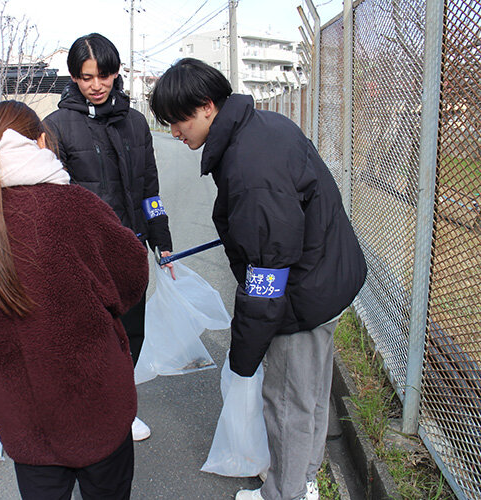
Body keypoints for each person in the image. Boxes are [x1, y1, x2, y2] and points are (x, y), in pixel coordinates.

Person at [149, 58, 367, 500]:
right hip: (327, 278)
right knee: (309, 391)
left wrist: (243, 355)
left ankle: (287, 492)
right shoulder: (264, 125)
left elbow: (266, 274)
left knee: (285, 402)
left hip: (301, 295)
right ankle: (304, 474)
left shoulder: (250, 168)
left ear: (208, 106)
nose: (175, 131)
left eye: (179, 120)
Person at [0, 100, 148, 500]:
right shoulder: (76, 207)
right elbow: (132, 277)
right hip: (96, 403)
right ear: (42, 141)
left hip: (21, 414)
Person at [43, 33, 173, 441]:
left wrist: (160, 235)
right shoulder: (56, 126)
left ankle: (120, 408)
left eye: (104, 75)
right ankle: (88, 411)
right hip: (83, 257)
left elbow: (149, 186)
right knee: (88, 337)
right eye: (86, 77)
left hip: (129, 249)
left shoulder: (135, 122)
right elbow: (50, 196)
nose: (96, 85)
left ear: (116, 74)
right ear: (74, 77)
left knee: (131, 333)